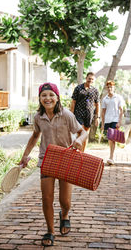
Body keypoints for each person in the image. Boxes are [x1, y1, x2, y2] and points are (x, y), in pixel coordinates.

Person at [19, 82, 87, 247]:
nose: (47, 98)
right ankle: (50, 230)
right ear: (40, 98)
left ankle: (64, 216)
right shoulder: (38, 117)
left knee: (65, 201)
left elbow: (83, 131)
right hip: (47, 159)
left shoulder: (67, 115)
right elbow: (35, 136)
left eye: (51, 95)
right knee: (46, 198)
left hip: (65, 159)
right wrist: (25, 155)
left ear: (57, 98)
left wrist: (78, 140)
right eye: (44, 95)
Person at [70, 72, 100, 151]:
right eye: (89, 78)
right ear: (86, 78)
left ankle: (83, 153)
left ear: (94, 80)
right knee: (81, 133)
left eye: (92, 79)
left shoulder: (95, 90)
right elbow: (73, 101)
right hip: (78, 113)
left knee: (86, 134)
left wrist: (97, 117)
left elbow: (97, 104)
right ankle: (77, 151)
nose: (90, 80)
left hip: (89, 115)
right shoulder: (78, 88)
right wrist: (71, 114)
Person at [101, 80, 124, 165]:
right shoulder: (105, 99)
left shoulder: (118, 97)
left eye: (111, 87)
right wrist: (103, 124)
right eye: (108, 87)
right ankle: (111, 156)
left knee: (112, 138)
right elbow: (103, 112)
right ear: (107, 88)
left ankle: (111, 157)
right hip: (107, 120)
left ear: (114, 88)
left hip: (115, 119)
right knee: (110, 139)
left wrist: (119, 121)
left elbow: (121, 111)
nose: (110, 88)